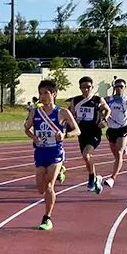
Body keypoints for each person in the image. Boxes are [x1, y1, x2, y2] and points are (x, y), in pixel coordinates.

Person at [25, 79, 80, 231]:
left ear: (54, 94)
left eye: (46, 93)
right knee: (40, 189)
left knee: (49, 186)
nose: (42, 96)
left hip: (55, 152)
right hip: (40, 152)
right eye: (40, 93)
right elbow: (27, 129)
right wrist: (33, 137)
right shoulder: (35, 111)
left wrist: (65, 135)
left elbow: (77, 130)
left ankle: (47, 218)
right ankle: (61, 170)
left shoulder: (62, 112)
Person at [69, 76, 110, 194]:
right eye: (83, 87)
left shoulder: (98, 100)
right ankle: (95, 178)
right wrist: (73, 122)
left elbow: (107, 110)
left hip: (94, 132)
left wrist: (104, 120)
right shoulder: (75, 100)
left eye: (88, 87)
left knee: (86, 155)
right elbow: (71, 114)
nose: (86, 89)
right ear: (80, 88)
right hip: (82, 132)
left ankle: (92, 178)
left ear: (92, 87)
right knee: (85, 157)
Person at [103, 79, 127, 188]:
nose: (119, 88)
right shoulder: (108, 100)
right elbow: (99, 107)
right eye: (117, 86)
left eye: (121, 86)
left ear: (125, 87)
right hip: (111, 129)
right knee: (116, 154)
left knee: (118, 154)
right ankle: (126, 150)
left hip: (123, 129)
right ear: (114, 87)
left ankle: (112, 178)